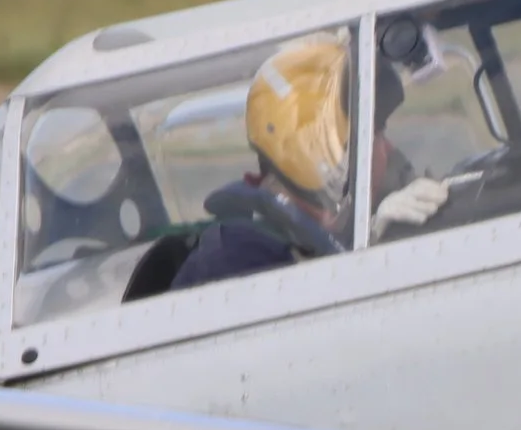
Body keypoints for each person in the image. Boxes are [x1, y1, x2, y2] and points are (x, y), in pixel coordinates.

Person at [169, 34, 448, 291]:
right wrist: (369, 256)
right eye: (375, 133)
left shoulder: (307, 235)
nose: (389, 149)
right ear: (317, 152)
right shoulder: (235, 262)